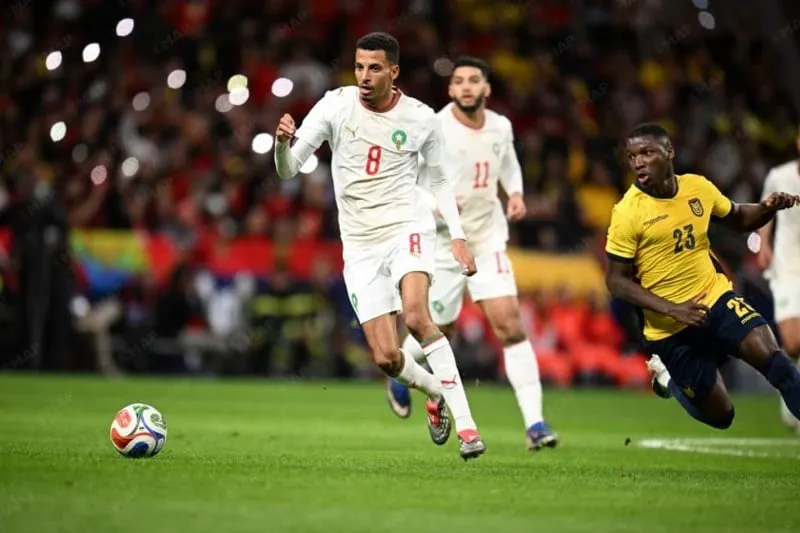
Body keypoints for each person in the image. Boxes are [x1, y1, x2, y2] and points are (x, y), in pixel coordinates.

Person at [273, 33, 486, 460]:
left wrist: (458, 237)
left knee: (417, 316)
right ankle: (435, 393)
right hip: (360, 245)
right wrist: (281, 144)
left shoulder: (421, 118)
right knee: (387, 358)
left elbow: (439, 180)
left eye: (374, 68)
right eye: (359, 67)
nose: (364, 76)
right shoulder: (335, 105)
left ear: (393, 71)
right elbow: (288, 169)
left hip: (408, 226)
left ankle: (468, 429)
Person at [385, 57, 558, 450]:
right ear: (450, 90)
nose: (465, 86)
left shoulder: (501, 126)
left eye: (473, 80)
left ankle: (535, 424)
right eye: (458, 81)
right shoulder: (434, 127)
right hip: (443, 243)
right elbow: (409, 182)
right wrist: (440, 208)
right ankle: (400, 371)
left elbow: (508, 165)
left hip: (486, 239)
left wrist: (515, 194)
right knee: (437, 331)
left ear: (486, 88)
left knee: (510, 325)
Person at [605, 122, 800, 431]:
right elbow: (616, 281)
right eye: (631, 156)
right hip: (670, 329)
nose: (638, 162)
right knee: (722, 416)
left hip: (716, 299)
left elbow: (738, 217)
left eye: (646, 153)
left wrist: (766, 208)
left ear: (669, 152)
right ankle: (669, 380)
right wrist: (673, 309)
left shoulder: (697, 187)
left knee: (777, 364)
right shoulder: (627, 213)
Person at [757, 131, 800, 431]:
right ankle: (790, 389)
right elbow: (766, 211)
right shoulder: (779, 176)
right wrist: (764, 243)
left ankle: (795, 404)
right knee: (793, 343)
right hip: (786, 269)